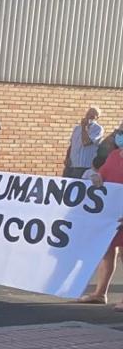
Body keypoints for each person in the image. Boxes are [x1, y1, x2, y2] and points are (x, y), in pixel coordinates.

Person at [80, 123, 123, 307]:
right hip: (111, 213)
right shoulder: (114, 155)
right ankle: (100, 293)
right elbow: (102, 177)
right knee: (107, 252)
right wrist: (96, 179)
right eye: (119, 132)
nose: (119, 135)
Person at [63, 107, 104, 179]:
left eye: (93, 115)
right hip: (71, 165)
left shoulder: (98, 129)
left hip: (84, 167)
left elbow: (86, 142)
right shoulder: (77, 128)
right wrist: (67, 158)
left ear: (97, 117)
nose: (89, 116)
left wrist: (84, 128)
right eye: (88, 113)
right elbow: (72, 145)